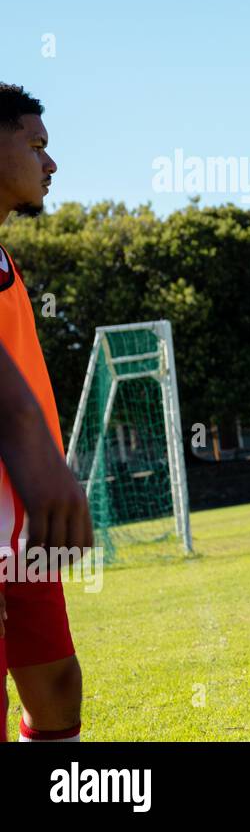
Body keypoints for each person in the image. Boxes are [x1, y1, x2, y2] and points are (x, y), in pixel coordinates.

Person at [0, 83, 92, 742]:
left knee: (57, 688)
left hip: (23, 532)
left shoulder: (6, 259)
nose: (49, 164)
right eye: (36, 146)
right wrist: (33, 444)